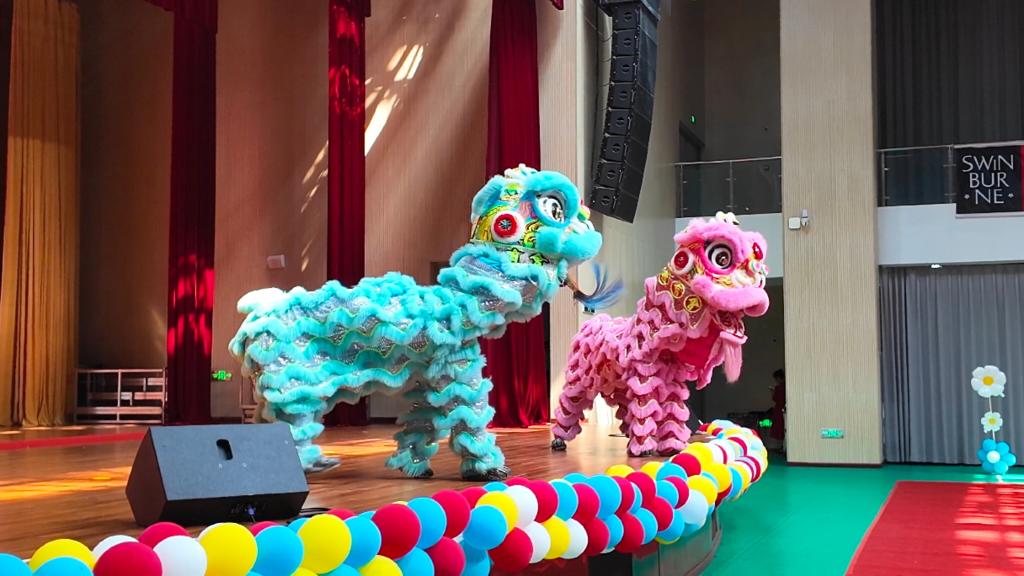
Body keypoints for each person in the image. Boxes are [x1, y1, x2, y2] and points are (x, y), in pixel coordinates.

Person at [769, 369, 786, 445]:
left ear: (778, 378)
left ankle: (780, 446)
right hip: (784, 408)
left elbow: (775, 398)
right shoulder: (787, 386)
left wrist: (772, 392)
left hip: (779, 409)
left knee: (779, 427)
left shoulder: (779, 387)